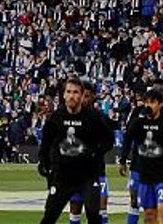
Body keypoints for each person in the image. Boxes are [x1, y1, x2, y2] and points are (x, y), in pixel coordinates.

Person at [38, 76, 114, 224]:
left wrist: (94, 154)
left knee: (94, 214)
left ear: (81, 95)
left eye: (75, 92)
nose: (72, 96)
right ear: (64, 95)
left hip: (87, 176)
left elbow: (108, 140)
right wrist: (45, 166)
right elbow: (46, 145)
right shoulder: (55, 118)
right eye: (69, 92)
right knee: (49, 216)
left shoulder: (93, 117)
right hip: (62, 176)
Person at [125, 86, 163, 224]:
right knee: (149, 215)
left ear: (160, 104)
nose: (149, 105)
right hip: (145, 175)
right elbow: (129, 134)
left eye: (153, 102)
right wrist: (140, 118)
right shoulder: (140, 119)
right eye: (147, 102)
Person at [69, 80, 113, 224]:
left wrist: (95, 152)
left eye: (87, 96)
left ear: (93, 97)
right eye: (82, 96)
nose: (83, 99)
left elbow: (109, 142)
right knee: (75, 210)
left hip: (96, 172)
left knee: (100, 211)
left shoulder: (100, 118)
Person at [118, 90, 146, 224]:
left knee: (151, 203)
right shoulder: (137, 113)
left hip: (156, 166)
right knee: (134, 200)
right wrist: (123, 159)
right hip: (137, 163)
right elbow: (128, 137)